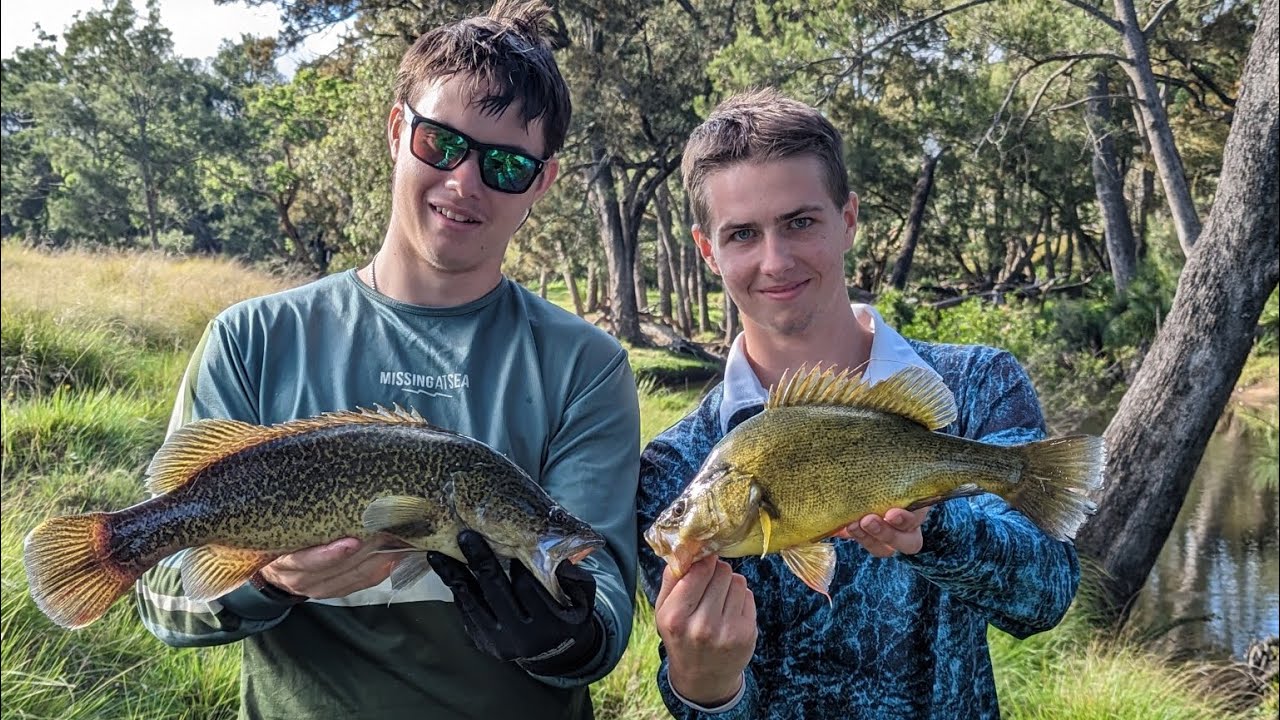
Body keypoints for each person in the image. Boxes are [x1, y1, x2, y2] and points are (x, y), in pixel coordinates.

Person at [135, 3, 640, 718]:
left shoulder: (586, 365)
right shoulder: (251, 339)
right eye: (442, 143)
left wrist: (568, 637)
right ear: (399, 130)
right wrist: (272, 579)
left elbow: (606, 592)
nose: (465, 183)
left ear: (541, 183)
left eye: (504, 164)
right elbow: (162, 600)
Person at [636, 88, 1081, 719]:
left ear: (848, 218)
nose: (775, 259)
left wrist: (932, 528)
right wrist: (704, 686)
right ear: (708, 251)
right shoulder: (675, 465)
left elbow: (1047, 595)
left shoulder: (978, 382)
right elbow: (707, 700)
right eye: (742, 234)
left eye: (800, 222)